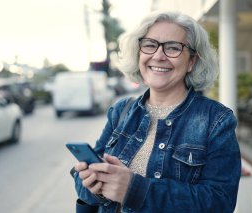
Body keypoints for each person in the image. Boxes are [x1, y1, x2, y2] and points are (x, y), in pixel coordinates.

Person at [73, 11, 241, 212]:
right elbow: (84, 186)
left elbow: (220, 203)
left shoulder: (216, 120)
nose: (159, 56)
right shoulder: (121, 111)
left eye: (173, 48)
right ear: (139, 52)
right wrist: (93, 185)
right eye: (150, 45)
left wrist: (133, 190)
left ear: (191, 62)